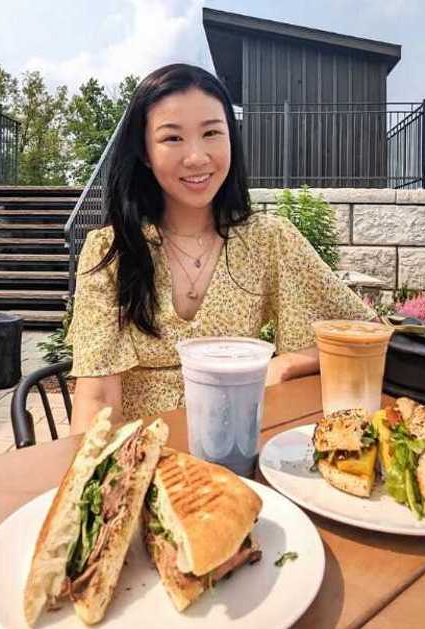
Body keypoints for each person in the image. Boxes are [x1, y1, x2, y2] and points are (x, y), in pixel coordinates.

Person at [67, 64, 374, 434]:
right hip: (143, 463)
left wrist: (282, 365)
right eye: (172, 138)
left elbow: (358, 332)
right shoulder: (111, 250)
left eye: (212, 132)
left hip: (239, 449)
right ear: (145, 152)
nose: (197, 157)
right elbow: (97, 402)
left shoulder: (268, 239)